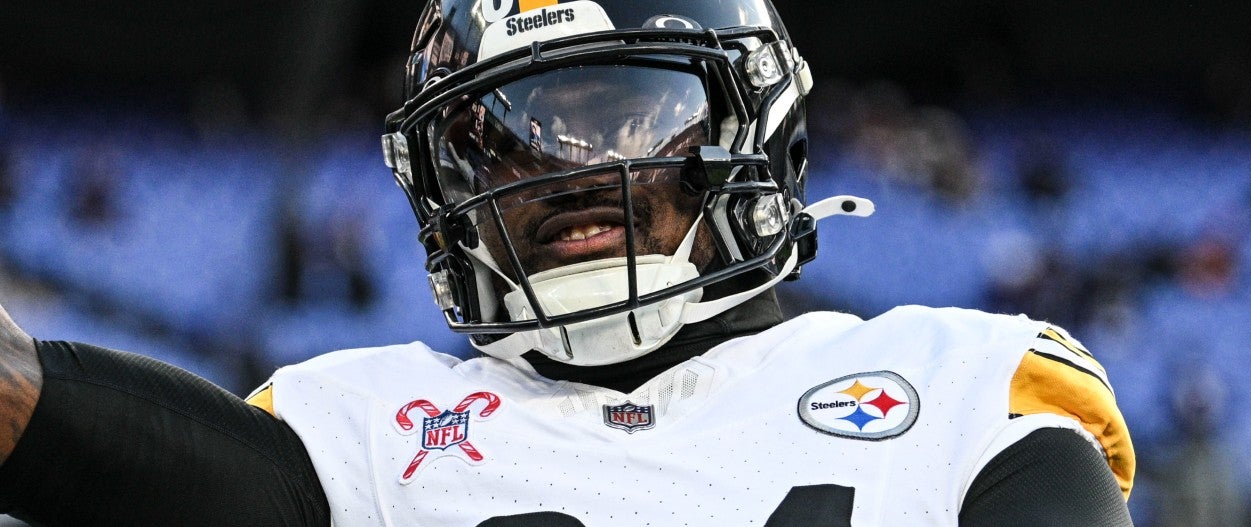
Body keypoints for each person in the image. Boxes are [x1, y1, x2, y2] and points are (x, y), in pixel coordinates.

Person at [0, 0, 1135, 525]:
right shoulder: (363, 426)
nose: (566, 171)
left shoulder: (958, 382)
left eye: (623, 117)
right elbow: (33, 406)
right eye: (502, 139)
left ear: (750, 128)